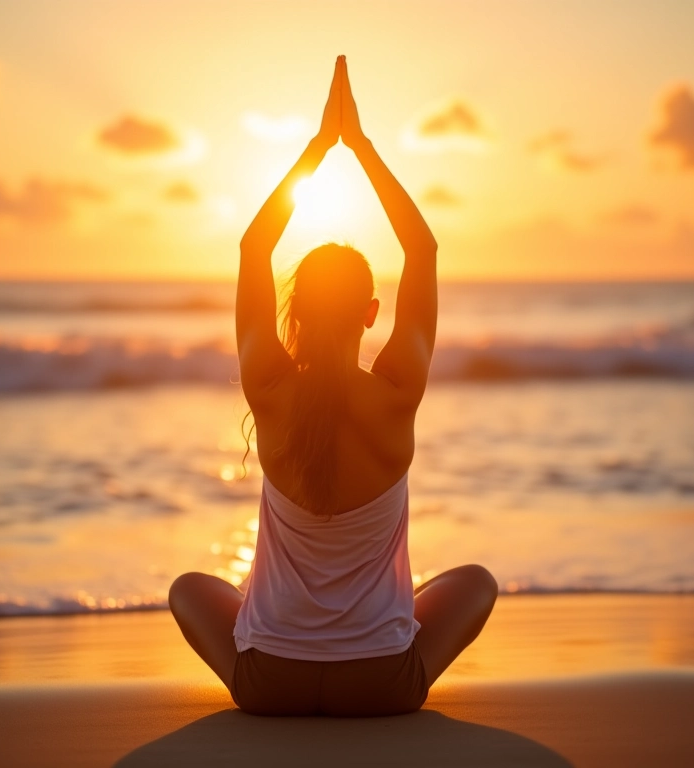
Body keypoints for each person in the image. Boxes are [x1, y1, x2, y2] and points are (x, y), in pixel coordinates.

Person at [169, 56, 497, 716]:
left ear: (295, 311)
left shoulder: (266, 385)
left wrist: (316, 149)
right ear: (371, 312)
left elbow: (253, 249)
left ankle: (268, 655)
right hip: (383, 688)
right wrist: (363, 149)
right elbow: (424, 251)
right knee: (477, 584)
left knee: (187, 589)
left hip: (268, 686)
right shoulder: (398, 391)